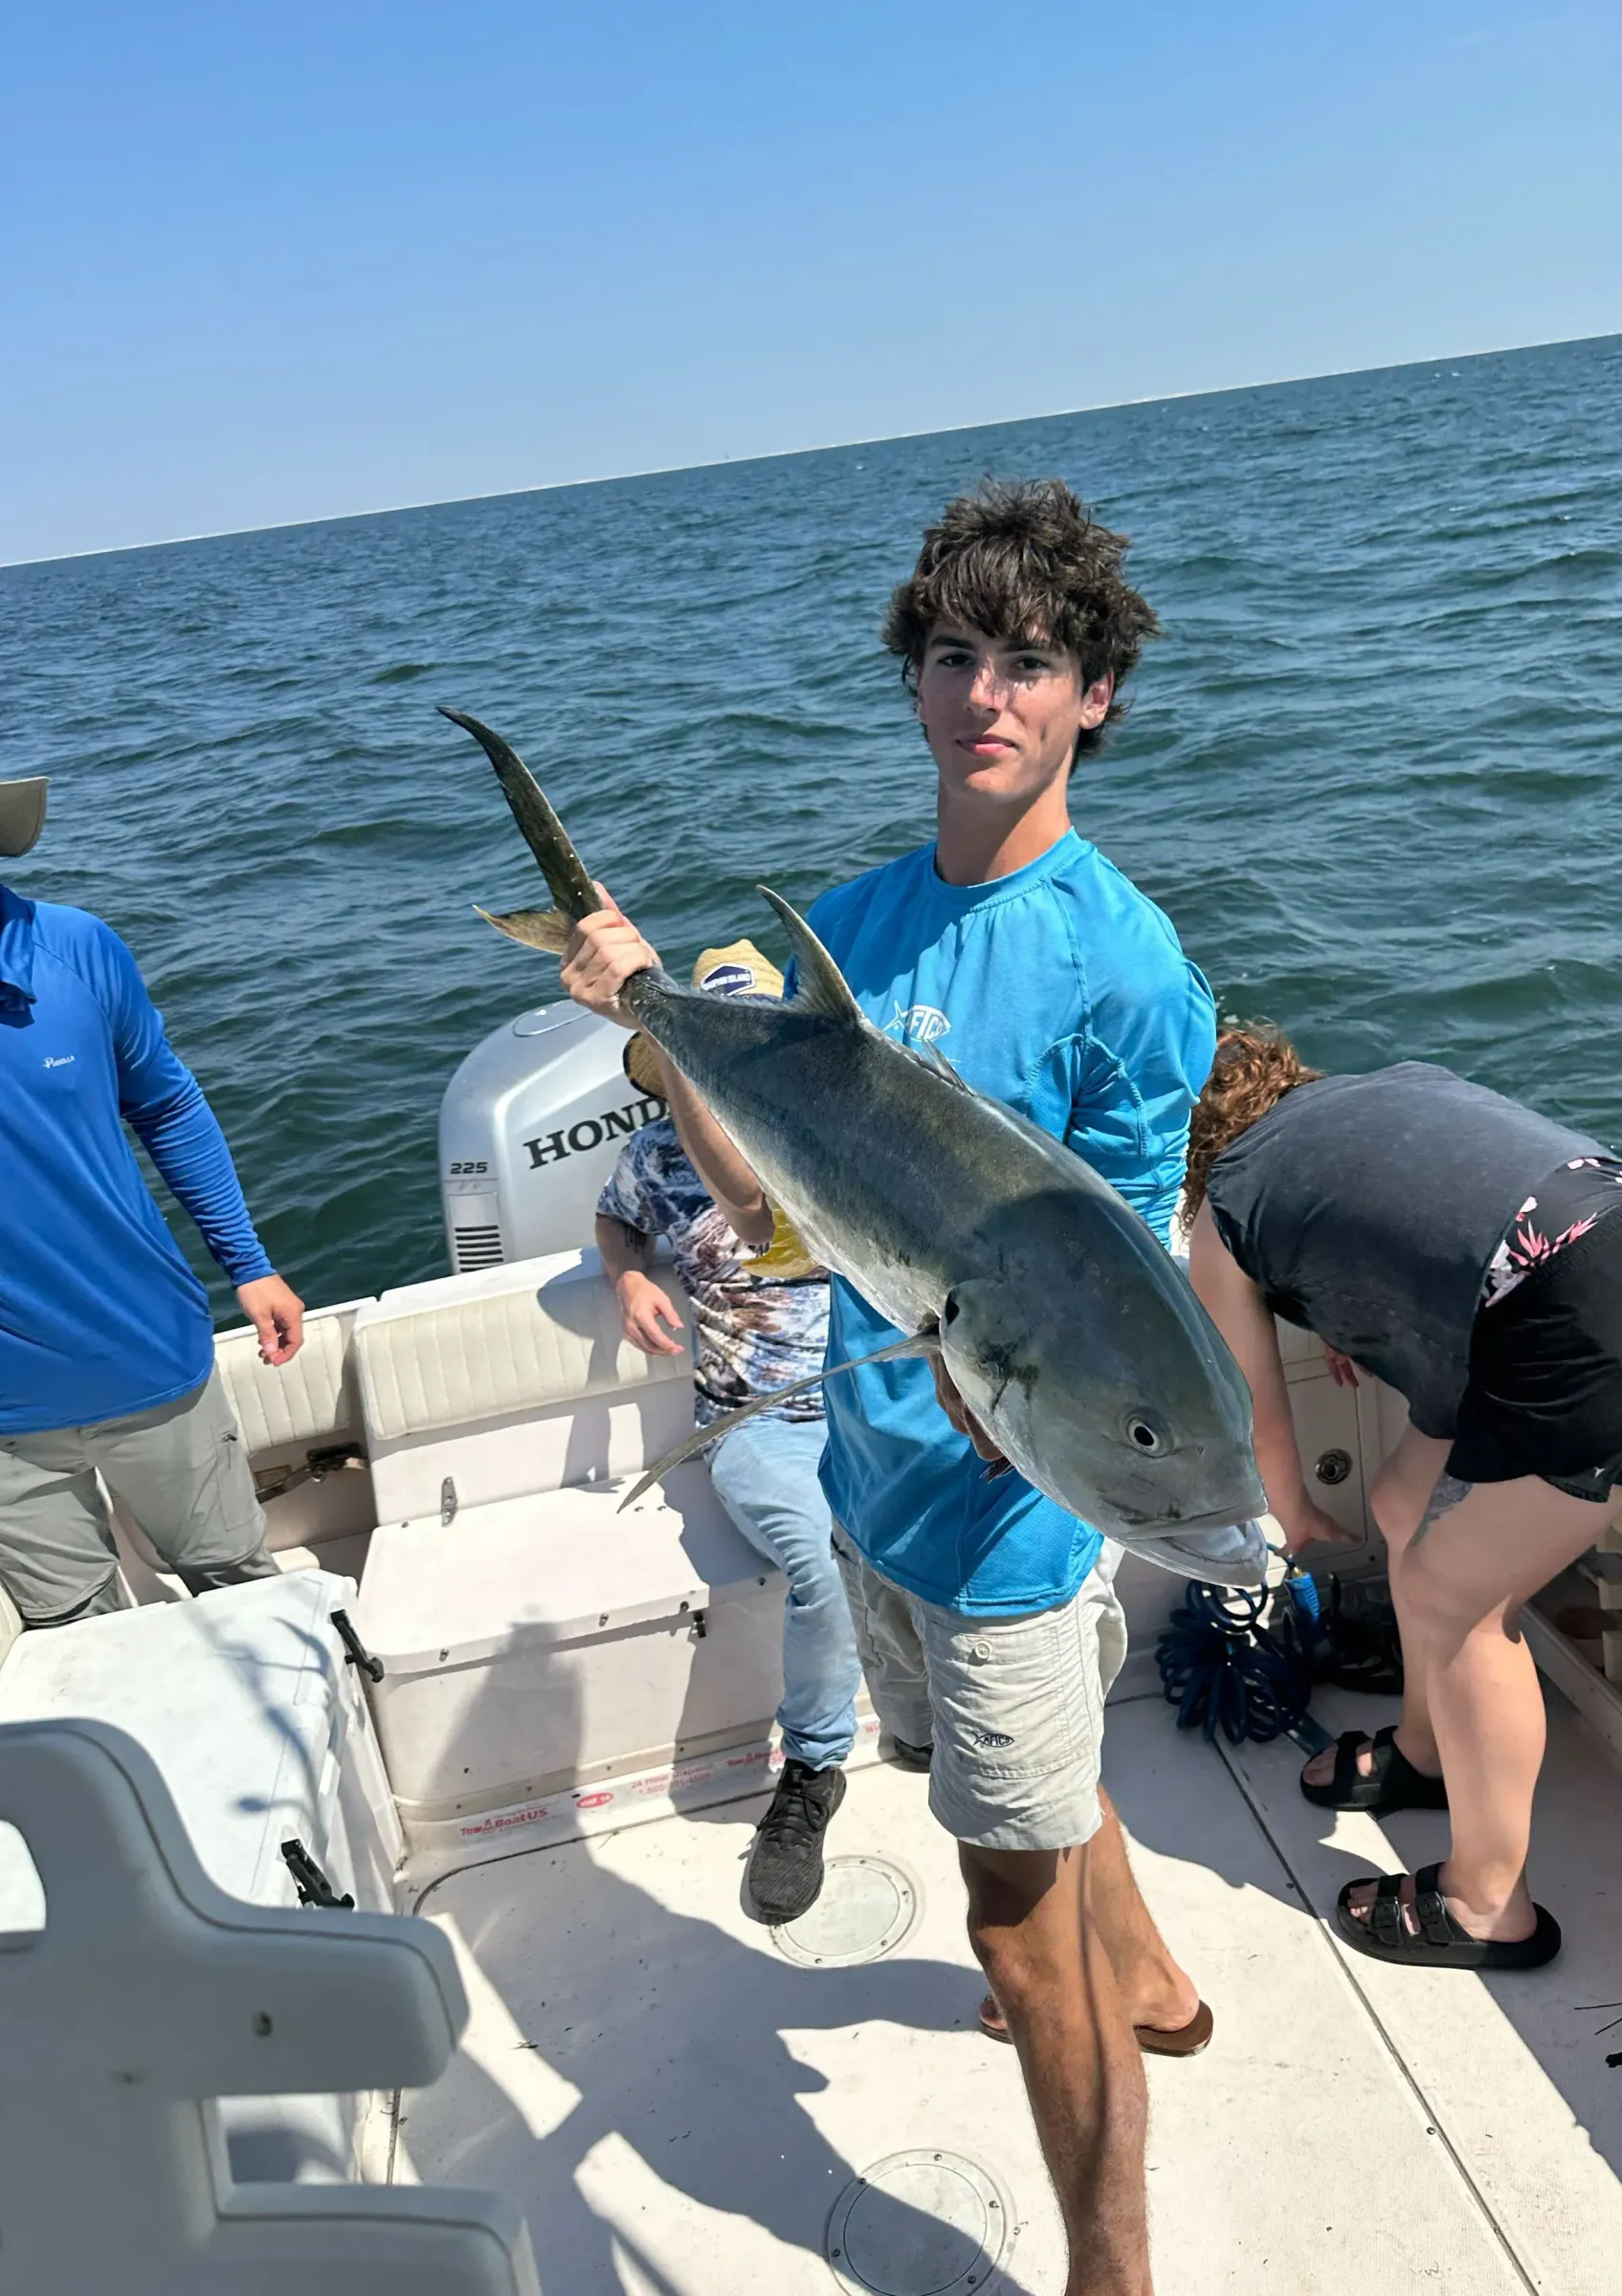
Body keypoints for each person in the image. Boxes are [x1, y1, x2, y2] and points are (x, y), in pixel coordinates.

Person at [561, 479, 1216, 2296]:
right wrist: (645, 1009)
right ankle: (1155, 1981)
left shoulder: (1125, 964)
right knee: (1041, 1825)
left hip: (1009, 1520)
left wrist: (1089, 1492)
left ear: (1096, 693)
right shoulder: (844, 928)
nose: (983, 693)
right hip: (869, 1484)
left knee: (1013, 1933)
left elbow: (1123, 1304)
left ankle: (1112, 2273)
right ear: (912, 683)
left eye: (1030, 660)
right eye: (952, 655)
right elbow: (765, 1195)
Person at [1184, 1027, 1622, 1972]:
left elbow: (1262, 1424)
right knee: (1408, 1503)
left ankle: (1487, 1901)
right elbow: (1422, 1221)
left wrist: (1297, 1514)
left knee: (1460, 1601)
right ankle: (1426, 1749)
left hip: (1584, 1332)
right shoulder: (1385, 1086)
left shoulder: (1225, 1211)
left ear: (1194, 1156)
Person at [596, 937, 863, 1925]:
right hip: (757, 1422)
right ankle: (814, 1770)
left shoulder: (836, 1140)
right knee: (822, 1562)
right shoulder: (652, 1156)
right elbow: (616, 1218)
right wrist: (627, 1272)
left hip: (871, 1405)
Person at [0, 776, 305, 1628]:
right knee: (77, 1636)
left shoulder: (76, 950)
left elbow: (166, 1105)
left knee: (241, 1590)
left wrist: (248, 1263)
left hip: (142, 1358)